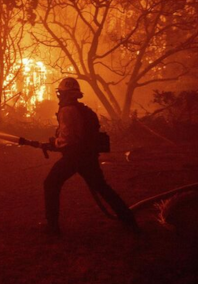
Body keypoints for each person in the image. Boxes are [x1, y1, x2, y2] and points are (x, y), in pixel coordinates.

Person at [42, 77, 139, 236]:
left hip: (74, 157)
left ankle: (52, 227)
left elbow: (69, 138)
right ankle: (128, 219)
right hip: (88, 157)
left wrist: (55, 142)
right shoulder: (84, 110)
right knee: (102, 187)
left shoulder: (67, 110)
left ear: (63, 94)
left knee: (51, 183)